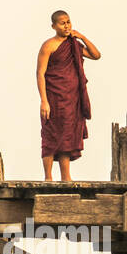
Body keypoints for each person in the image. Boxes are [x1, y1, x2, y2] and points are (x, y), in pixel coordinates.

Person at [37, 10, 100, 181]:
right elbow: (40, 73)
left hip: (72, 98)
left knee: (67, 135)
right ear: (53, 26)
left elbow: (96, 55)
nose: (66, 26)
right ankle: (48, 178)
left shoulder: (74, 45)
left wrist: (82, 37)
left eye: (68, 22)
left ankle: (66, 177)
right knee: (51, 134)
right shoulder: (48, 46)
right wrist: (44, 100)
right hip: (54, 97)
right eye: (62, 23)